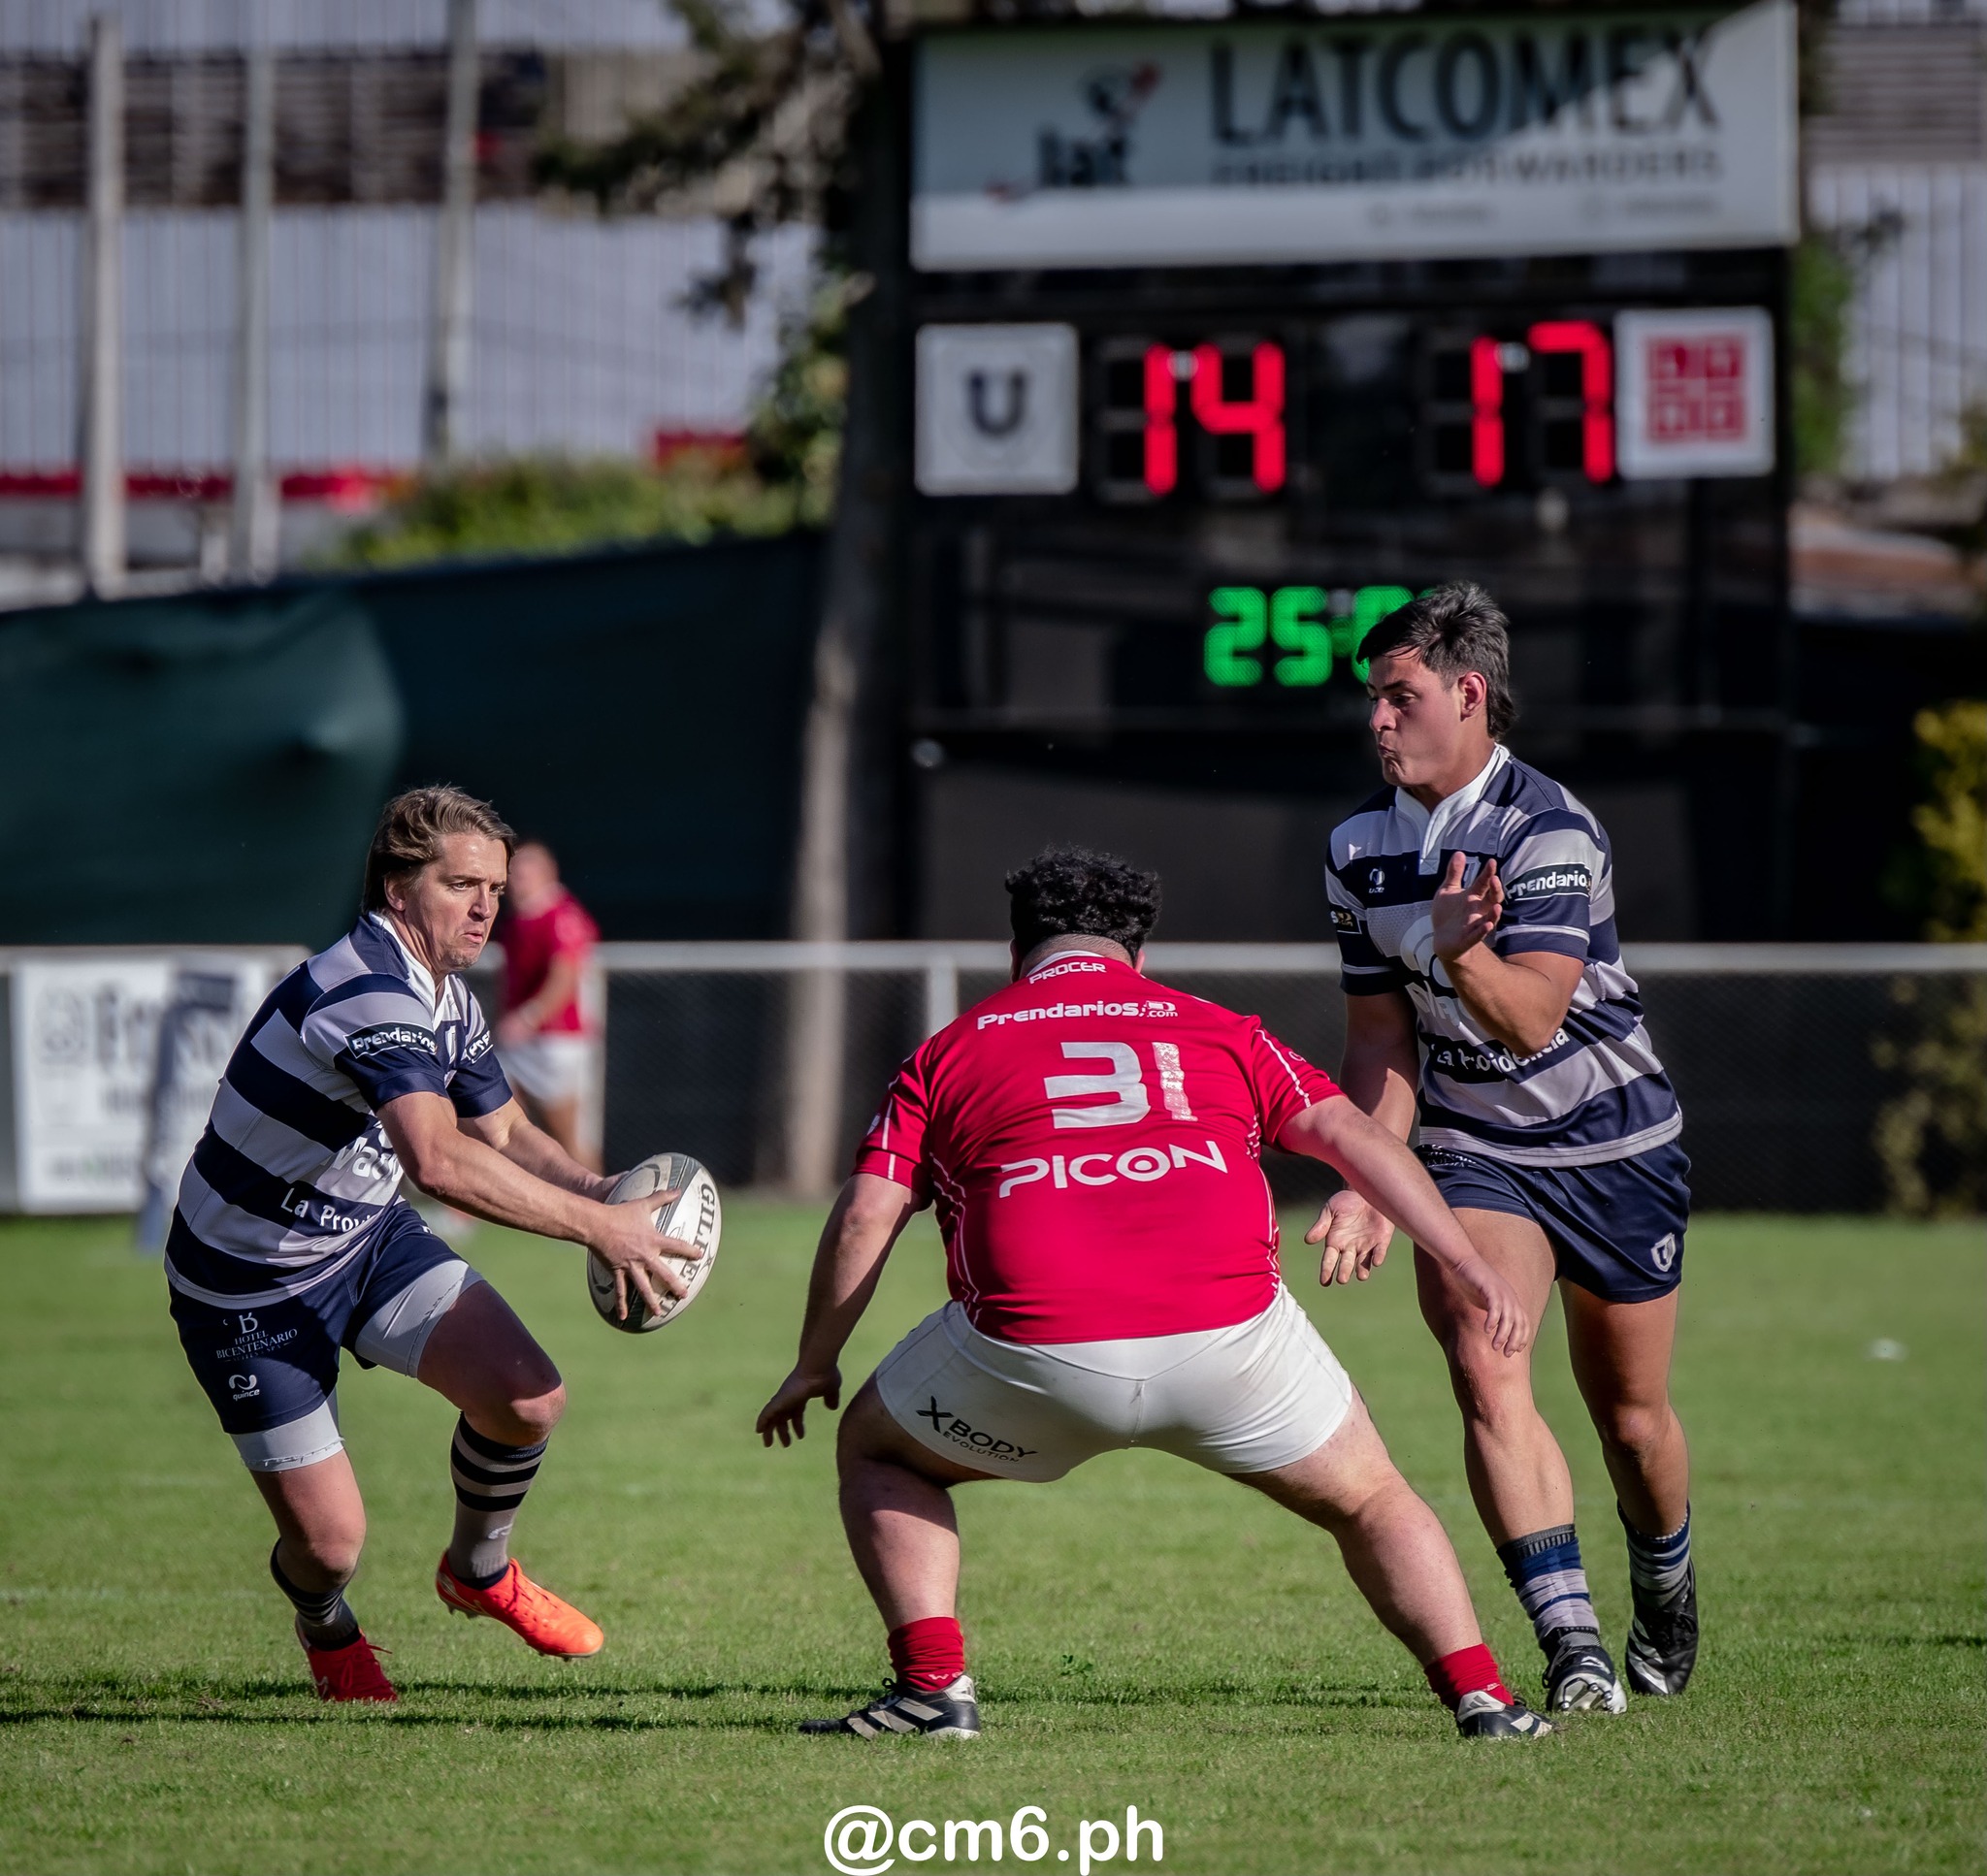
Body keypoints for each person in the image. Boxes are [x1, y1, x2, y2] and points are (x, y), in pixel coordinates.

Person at [757, 847, 1553, 1743]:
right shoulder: (1222, 1029)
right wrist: (1464, 1259)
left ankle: (933, 1692)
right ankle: (1485, 1699)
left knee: (879, 1449)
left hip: (1032, 1356)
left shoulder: (947, 1051)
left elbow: (867, 1215)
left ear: (1015, 956)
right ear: (1139, 956)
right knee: (1372, 1499)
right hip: (1232, 1345)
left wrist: (814, 1364)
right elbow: (1349, 1132)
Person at [165, 786, 699, 1702]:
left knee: (528, 1400)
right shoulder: (364, 992)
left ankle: (478, 1571)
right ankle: (324, 1622)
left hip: (365, 1241)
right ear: (397, 888)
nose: (485, 907)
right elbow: (439, 1161)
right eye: (461, 885)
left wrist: (602, 1190)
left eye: (494, 889)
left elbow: (504, 1128)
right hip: (248, 1287)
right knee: (329, 1547)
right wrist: (598, 1230)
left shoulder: (443, 996)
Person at [1320, 582, 1698, 1716]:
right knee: (1485, 1361)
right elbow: (1379, 1036)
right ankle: (1570, 1643)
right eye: (1371, 697)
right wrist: (1366, 1181)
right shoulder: (1355, 846)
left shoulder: (1548, 828)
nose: (1376, 717)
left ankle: (1663, 1578)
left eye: (1400, 695)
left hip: (1614, 1144)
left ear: (1467, 692)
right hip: (1473, 1145)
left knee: (1630, 1418)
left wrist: (1459, 953)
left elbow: (1529, 1017)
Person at [498, 841, 603, 1173]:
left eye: (523, 875)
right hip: (522, 1044)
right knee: (493, 1118)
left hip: (556, 1043)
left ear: (547, 874)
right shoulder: (519, 921)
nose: (514, 883)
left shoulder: (561, 916)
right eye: (513, 875)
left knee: (566, 1136)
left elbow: (565, 976)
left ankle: (602, 1196)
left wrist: (528, 1018)